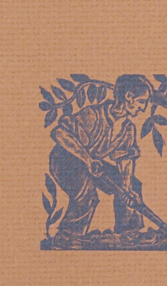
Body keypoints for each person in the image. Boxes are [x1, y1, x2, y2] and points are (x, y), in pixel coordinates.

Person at [48, 75, 153, 239]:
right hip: (65, 159)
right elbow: (59, 133)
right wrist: (88, 160)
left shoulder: (128, 128)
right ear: (129, 97)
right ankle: (69, 236)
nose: (143, 108)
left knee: (131, 184)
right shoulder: (93, 115)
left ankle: (128, 233)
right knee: (87, 194)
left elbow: (125, 161)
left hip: (92, 164)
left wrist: (126, 190)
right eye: (142, 102)